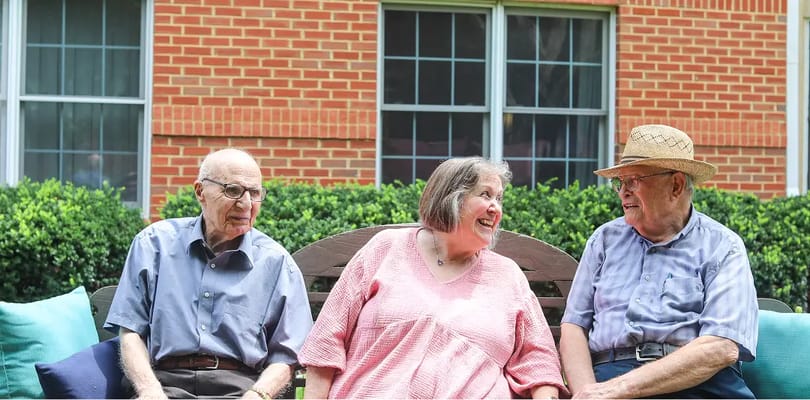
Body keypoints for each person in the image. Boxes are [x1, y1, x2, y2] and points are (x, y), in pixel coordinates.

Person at [298, 157, 566, 399]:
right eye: (485, 195)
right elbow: (327, 339)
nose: (496, 208)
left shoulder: (507, 276)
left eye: (499, 198)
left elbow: (538, 359)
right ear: (450, 198)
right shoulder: (385, 249)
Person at [559, 124, 758, 399]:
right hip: (609, 376)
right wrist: (586, 392)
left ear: (675, 185)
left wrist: (618, 390)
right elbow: (574, 326)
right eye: (620, 182)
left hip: (697, 384)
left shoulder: (722, 246)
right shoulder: (604, 240)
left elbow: (721, 346)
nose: (623, 192)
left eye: (634, 181)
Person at [104, 148, 314, 399]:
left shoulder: (277, 263)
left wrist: (258, 395)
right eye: (233, 190)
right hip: (163, 385)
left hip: (240, 389)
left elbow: (287, 356)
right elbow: (130, 332)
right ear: (201, 192)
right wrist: (149, 391)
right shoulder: (154, 245)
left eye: (255, 193)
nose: (246, 204)